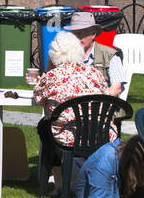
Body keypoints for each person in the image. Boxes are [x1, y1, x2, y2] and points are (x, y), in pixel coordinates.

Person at [32, 32, 114, 189]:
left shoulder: (53, 76)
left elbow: (38, 98)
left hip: (68, 137)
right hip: (99, 133)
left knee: (44, 126)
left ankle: (59, 183)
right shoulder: (94, 73)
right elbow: (106, 95)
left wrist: (49, 68)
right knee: (47, 126)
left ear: (53, 55)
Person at [64, 11, 125, 94]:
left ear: (93, 34)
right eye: (75, 33)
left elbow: (116, 88)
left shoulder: (110, 55)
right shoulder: (64, 54)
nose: (78, 37)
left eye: (82, 33)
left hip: (101, 103)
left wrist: (96, 102)